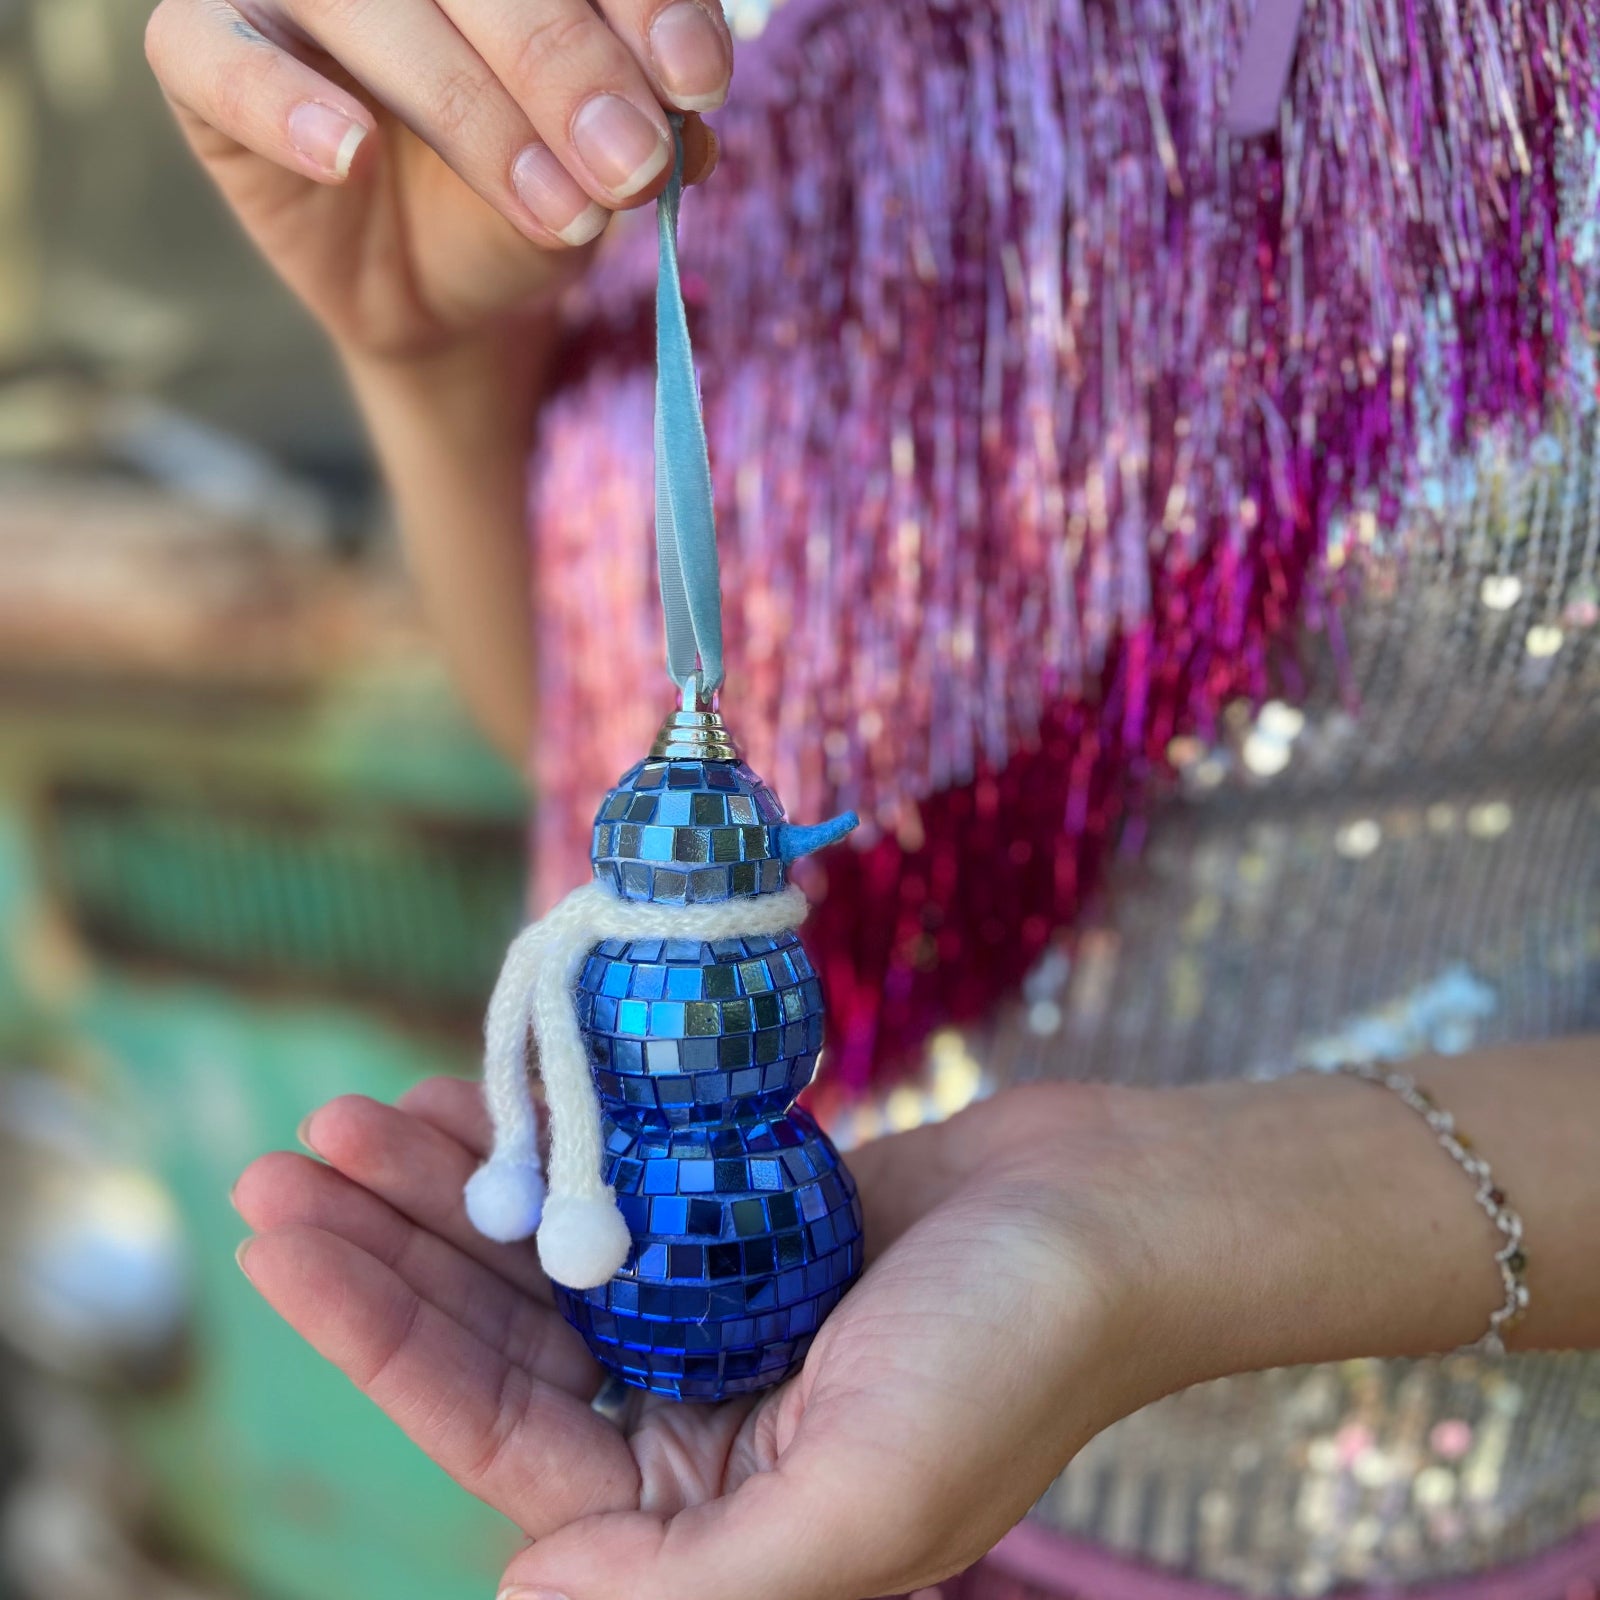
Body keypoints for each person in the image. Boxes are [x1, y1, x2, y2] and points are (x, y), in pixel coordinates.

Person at [145, 0, 1600, 1597]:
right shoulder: (660, 52)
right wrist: (420, 349)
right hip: (749, 1470)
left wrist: (1169, 1228)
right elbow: (563, 713)